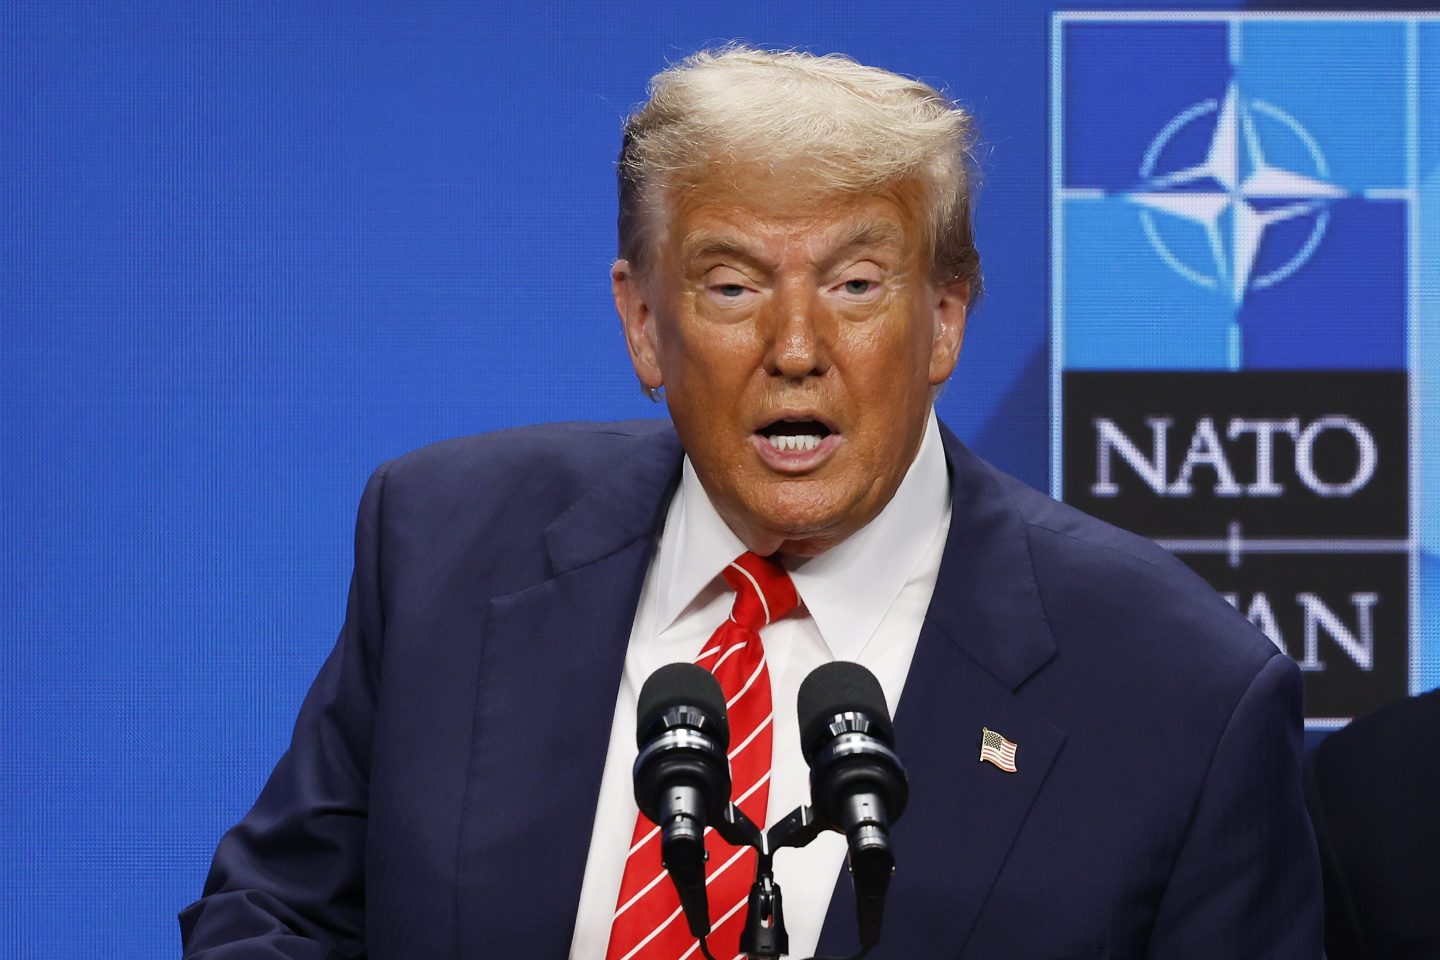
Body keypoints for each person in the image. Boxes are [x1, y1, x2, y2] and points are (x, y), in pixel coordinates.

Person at [180, 47, 1322, 959]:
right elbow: (274, 914)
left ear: (944, 319)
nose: (796, 347)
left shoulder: (1182, 696)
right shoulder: (446, 544)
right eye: (731, 286)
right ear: (643, 324)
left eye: (856, 285)